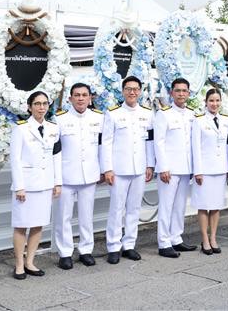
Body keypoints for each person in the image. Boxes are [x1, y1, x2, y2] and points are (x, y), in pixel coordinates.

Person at [102, 75, 155, 264]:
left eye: (135, 89)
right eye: (128, 89)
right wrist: (107, 168)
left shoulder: (148, 113)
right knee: (116, 209)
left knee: (134, 208)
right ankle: (113, 246)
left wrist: (150, 165)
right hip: (119, 169)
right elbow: (106, 143)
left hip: (139, 168)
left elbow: (150, 141)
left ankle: (129, 245)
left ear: (140, 92)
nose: (132, 92)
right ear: (123, 91)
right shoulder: (113, 113)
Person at [10, 91, 62, 280]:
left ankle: (30, 262)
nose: (41, 107)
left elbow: (56, 157)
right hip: (26, 186)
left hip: (45, 184)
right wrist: (19, 186)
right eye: (37, 104)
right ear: (29, 107)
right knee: (21, 225)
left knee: (38, 225)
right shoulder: (21, 129)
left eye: (44, 104)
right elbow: (15, 160)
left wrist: (57, 182)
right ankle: (18, 265)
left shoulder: (53, 128)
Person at [53, 83, 103, 270]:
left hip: (89, 174)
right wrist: (56, 178)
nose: (81, 98)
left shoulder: (99, 118)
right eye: (77, 95)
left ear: (90, 98)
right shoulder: (60, 119)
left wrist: (104, 170)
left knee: (86, 215)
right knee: (63, 216)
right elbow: (55, 151)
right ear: (70, 98)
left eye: (84, 95)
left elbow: (102, 147)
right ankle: (65, 253)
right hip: (66, 176)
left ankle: (85, 250)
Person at [154, 77, 197, 258]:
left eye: (184, 91)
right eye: (177, 91)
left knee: (180, 206)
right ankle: (163, 242)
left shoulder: (192, 114)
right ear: (171, 93)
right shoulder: (164, 114)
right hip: (169, 169)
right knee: (166, 206)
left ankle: (176, 238)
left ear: (188, 93)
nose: (181, 94)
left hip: (185, 168)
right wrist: (163, 167)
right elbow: (159, 142)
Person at [191, 88, 228, 255]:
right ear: (206, 102)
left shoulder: (226, 120)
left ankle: (213, 237)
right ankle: (205, 239)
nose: (214, 104)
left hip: (220, 169)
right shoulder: (199, 121)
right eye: (211, 101)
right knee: (203, 206)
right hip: (205, 170)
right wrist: (198, 171)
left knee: (216, 206)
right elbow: (196, 148)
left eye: (217, 101)